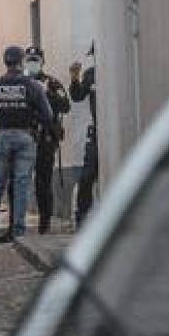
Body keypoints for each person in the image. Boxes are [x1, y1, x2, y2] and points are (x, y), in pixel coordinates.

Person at [0, 45, 53, 250]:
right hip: (25, 137)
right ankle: (19, 235)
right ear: (21, 62)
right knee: (21, 186)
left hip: (3, 136)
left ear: (5, 62)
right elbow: (48, 115)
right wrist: (32, 116)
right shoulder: (33, 86)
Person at [0, 46, 70, 238]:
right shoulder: (18, 83)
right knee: (15, 183)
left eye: (36, 59)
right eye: (29, 59)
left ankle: (44, 224)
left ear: (42, 62)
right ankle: (13, 227)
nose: (32, 63)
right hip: (23, 138)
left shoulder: (51, 83)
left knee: (43, 183)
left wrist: (49, 95)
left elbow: (66, 106)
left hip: (44, 141)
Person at [70, 43, 98, 228]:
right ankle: (82, 219)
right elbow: (78, 96)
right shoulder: (91, 74)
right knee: (86, 177)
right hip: (97, 135)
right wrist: (74, 79)